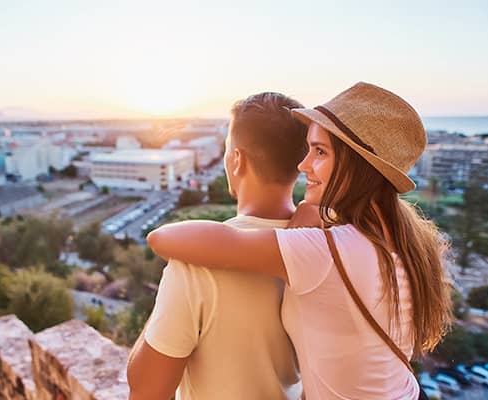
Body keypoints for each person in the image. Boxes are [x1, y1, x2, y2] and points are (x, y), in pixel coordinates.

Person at [147, 82, 453, 400]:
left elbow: (164, 238)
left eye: (320, 152)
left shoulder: (328, 251)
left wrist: (307, 220)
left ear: (355, 165)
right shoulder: (403, 240)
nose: (304, 165)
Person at [126, 92, 307, 400]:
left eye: (226, 150)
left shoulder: (196, 261)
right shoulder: (321, 245)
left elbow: (146, 390)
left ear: (237, 160)